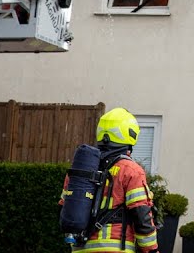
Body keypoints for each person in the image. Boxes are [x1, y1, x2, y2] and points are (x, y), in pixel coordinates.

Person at [61, 107, 159, 253]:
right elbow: (141, 216)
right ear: (129, 134)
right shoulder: (130, 170)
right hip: (115, 248)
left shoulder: (81, 170)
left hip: (80, 248)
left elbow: (64, 207)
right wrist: (151, 250)